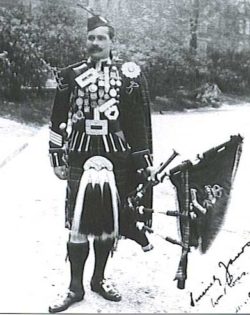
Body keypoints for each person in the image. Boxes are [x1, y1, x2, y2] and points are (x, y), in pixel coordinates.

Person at [48, 12, 153, 313]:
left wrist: (142, 160)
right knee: (76, 222)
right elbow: (57, 119)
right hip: (79, 152)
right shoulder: (69, 75)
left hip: (116, 153)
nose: (95, 42)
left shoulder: (128, 74)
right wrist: (57, 157)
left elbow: (136, 122)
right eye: (91, 37)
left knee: (110, 221)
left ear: (111, 42)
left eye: (101, 38)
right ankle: (74, 287)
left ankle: (99, 279)